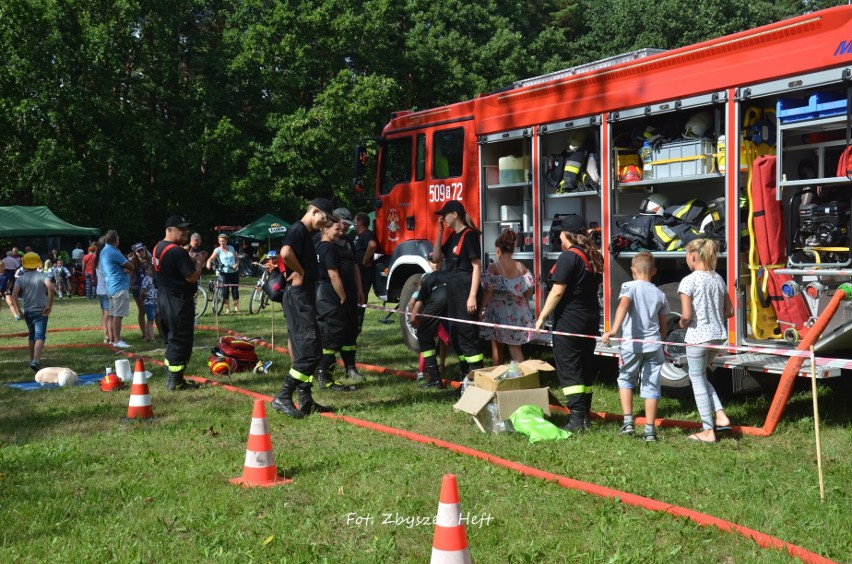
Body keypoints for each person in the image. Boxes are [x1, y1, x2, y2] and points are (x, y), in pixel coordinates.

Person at [271, 197, 338, 418]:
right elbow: (285, 254)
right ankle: (283, 396)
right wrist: (300, 272)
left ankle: (306, 400)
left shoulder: (304, 233)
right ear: (315, 212)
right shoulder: (298, 230)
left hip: (303, 296)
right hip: (298, 297)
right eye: (325, 219)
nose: (325, 224)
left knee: (310, 349)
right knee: (309, 351)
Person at [535, 217, 603, 433]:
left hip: (570, 321)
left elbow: (557, 291)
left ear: (567, 235)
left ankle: (575, 420)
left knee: (570, 367)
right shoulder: (592, 256)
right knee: (585, 365)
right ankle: (584, 416)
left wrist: (542, 317)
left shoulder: (568, 256)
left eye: (560, 233)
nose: (558, 236)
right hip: (590, 319)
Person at [601, 252, 669, 442]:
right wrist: (662, 336)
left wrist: (614, 330)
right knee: (652, 385)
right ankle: (649, 430)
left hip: (631, 345)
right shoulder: (660, 293)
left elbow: (623, 306)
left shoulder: (628, 286)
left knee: (626, 379)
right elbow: (663, 324)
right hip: (654, 345)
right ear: (654, 271)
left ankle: (628, 422)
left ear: (632, 271)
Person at [678, 238, 733, 444]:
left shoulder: (689, 281)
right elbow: (729, 311)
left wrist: (682, 324)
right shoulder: (718, 278)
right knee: (701, 377)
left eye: (686, 256)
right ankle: (720, 415)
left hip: (697, 336)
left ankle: (708, 431)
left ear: (693, 256)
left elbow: (685, 315)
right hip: (717, 337)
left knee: (697, 381)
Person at [153, 214, 208, 391]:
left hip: (164, 296)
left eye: (186, 228)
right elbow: (191, 277)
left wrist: (189, 259)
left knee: (171, 338)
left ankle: (173, 377)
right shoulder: (176, 251)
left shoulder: (158, 247)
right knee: (181, 339)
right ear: (169, 230)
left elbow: (172, 269)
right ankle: (175, 381)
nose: (185, 231)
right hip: (178, 300)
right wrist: (199, 263)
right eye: (181, 228)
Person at [431, 200, 484, 379]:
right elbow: (437, 257)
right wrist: (439, 231)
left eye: (444, 215)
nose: (443, 219)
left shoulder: (469, 235)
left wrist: (472, 296)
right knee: (456, 335)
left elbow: (477, 266)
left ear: (455, 214)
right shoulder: (453, 236)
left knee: (468, 336)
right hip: (454, 293)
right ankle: (464, 378)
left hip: (465, 292)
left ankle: (476, 377)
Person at [313, 217, 360, 391]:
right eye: (336, 230)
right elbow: (334, 275)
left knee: (330, 334)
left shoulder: (317, 247)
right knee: (332, 336)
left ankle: (325, 375)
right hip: (330, 295)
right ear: (325, 229)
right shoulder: (329, 249)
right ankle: (325, 378)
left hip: (320, 293)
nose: (340, 233)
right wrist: (343, 297)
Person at [479, 229, 535, 365]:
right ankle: (522, 377)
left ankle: (497, 378)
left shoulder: (494, 268)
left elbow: (487, 291)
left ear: (498, 250)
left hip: (499, 313)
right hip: (518, 312)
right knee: (515, 348)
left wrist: (481, 310)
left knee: (497, 348)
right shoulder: (521, 267)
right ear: (512, 249)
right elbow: (529, 293)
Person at [332, 207, 365, 382]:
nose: (345, 228)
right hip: (332, 295)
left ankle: (350, 368)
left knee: (351, 331)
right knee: (331, 333)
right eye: (344, 224)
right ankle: (325, 372)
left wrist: (359, 289)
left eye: (348, 225)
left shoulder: (349, 241)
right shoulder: (321, 241)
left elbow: (355, 266)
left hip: (351, 292)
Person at [10, 252, 54, 371]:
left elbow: (14, 295)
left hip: (28, 311)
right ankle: (36, 360)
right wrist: (49, 305)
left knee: (32, 335)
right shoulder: (43, 276)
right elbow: (50, 287)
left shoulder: (21, 279)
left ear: (23, 265)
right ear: (38, 263)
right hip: (41, 310)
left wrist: (19, 311)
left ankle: (32, 359)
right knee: (40, 336)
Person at [410, 265, 450, 388]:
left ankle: (434, 379)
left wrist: (425, 333)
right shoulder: (449, 275)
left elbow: (413, 317)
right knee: (460, 337)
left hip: (439, 301)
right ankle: (465, 373)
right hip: (457, 297)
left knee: (424, 337)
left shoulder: (425, 288)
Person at [100, 229, 135, 349]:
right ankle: (117, 340)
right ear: (116, 240)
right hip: (119, 286)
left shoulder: (104, 251)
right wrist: (127, 265)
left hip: (111, 287)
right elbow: (131, 266)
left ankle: (112, 339)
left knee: (112, 315)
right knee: (118, 316)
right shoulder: (113, 251)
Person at [353, 212, 378, 331]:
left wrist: (365, 260)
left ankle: (357, 327)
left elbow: (372, 245)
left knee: (360, 301)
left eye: (355, 220)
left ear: (360, 223)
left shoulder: (368, 234)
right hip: (356, 274)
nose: (353, 223)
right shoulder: (357, 235)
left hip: (364, 275)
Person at [206, 233, 241, 314]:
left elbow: (237, 259)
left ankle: (236, 308)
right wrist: (208, 263)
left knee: (235, 290)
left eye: (224, 241)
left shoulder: (231, 248)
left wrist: (236, 265)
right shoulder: (217, 250)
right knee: (225, 291)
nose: (222, 242)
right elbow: (210, 259)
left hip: (234, 271)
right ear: (218, 241)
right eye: (220, 241)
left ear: (226, 241)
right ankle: (227, 309)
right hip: (224, 273)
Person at [130, 243, 152, 338]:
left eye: (142, 250)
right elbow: (130, 275)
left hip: (150, 288)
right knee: (142, 310)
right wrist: (131, 285)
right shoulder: (133, 261)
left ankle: (151, 332)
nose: (141, 252)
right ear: (135, 253)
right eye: (138, 251)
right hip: (138, 287)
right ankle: (144, 333)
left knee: (152, 310)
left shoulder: (149, 259)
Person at [93, 237, 112, 343]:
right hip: (105, 290)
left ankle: (107, 335)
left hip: (100, 290)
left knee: (104, 313)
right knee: (107, 314)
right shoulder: (103, 259)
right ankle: (108, 336)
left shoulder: (98, 258)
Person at [139, 264, 158, 342]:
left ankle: (148, 336)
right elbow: (142, 292)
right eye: (150, 269)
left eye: (153, 269)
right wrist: (143, 301)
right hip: (149, 302)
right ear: (146, 270)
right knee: (150, 321)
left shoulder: (155, 278)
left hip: (155, 302)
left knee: (153, 318)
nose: (152, 271)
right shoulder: (146, 279)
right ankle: (152, 338)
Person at [2, 250, 22, 314]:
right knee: (12, 284)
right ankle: (12, 294)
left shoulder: (3, 259)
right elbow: (17, 266)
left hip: (5, 272)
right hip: (12, 272)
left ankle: (4, 294)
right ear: (11, 255)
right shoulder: (13, 259)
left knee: (4, 283)